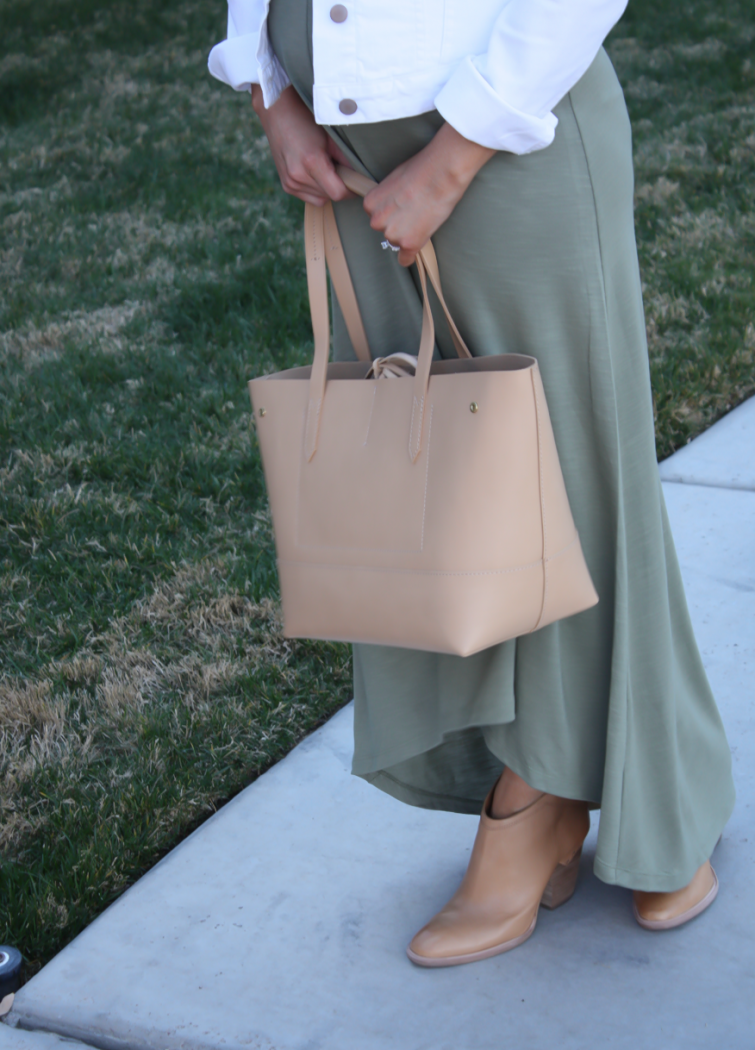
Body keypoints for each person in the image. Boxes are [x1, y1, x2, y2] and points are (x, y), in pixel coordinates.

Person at [208, 0, 735, 967]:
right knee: (445, 492)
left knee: (571, 484)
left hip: (504, 135)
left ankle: (567, 803)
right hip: (346, 139)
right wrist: (271, 90)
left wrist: (448, 162)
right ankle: (560, 788)